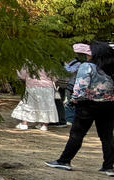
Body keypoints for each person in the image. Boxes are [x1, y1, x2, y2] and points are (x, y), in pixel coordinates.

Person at [47, 41, 114, 173]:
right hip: (109, 105)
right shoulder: (111, 68)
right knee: (107, 137)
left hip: (87, 105)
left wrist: (74, 100)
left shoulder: (87, 66)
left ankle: (64, 161)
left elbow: (81, 86)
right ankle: (108, 166)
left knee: (77, 134)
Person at [11, 66, 58, 130]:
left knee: (28, 104)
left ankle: (24, 124)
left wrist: (16, 71)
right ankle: (44, 125)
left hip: (32, 86)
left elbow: (23, 76)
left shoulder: (29, 63)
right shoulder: (50, 63)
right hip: (47, 87)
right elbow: (55, 78)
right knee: (46, 105)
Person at [62, 43, 91, 125]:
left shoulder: (78, 63)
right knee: (69, 102)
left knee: (71, 102)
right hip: (70, 84)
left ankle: (70, 119)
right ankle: (70, 118)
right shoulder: (74, 63)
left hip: (74, 84)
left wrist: (64, 65)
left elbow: (69, 71)